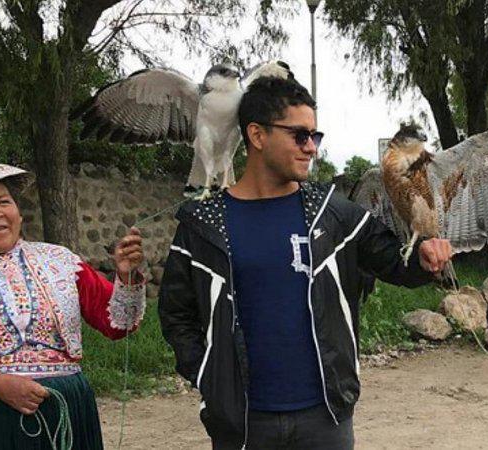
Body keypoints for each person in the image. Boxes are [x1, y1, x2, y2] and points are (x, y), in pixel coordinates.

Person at [159, 76, 453, 449]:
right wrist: (209, 376)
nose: (311, 148)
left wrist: (424, 258)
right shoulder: (203, 227)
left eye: (316, 136)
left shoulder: (333, 215)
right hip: (242, 425)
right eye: (300, 135)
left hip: (325, 421)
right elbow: (176, 315)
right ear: (257, 135)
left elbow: (395, 264)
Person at [0, 153, 146, 449]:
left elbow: (119, 325)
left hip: (68, 412)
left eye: (3, 201)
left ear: (18, 212)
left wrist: (125, 279)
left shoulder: (60, 262)